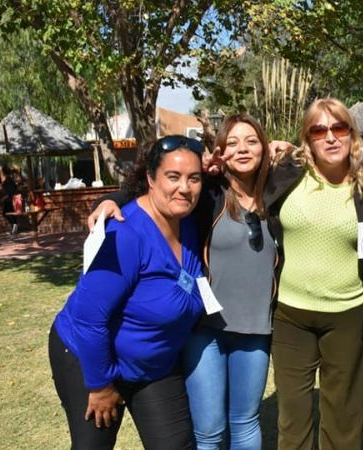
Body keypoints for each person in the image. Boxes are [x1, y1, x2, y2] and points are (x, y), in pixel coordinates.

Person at [88, 115, 280, 450]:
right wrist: (109, 201)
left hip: (255, 329)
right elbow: (158, 189)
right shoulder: (207, 194)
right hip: (205, 330)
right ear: (220, 152)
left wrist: (289, 152)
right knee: (209, 430)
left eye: (251, 140)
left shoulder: (278, 192)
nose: (243, 149)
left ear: (264, 146)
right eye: (232, 142)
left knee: (246, 422)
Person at [49, 135, 205, 449]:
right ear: (150, 178)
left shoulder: (186, 222)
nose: (184, 188)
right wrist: (101, 385)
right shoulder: (125, 234)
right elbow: (88, 321)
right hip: (89, 359)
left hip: (154, 366)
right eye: (172, 177)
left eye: (194, 178)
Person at [266, 97, 363, 450]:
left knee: (343, 416)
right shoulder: (287, 172)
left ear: (351, 134)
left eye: (338, 127)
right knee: (293, 417)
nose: (330, 137)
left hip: (347, 315)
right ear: (307, 138)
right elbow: (228, 172)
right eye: (319, 130)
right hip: (290, 316)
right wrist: (112, 199)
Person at [0, 166, 19, 234]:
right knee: (8, 213)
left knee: (7, 213)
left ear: (3, 173)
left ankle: (14, 225)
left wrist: (4, 198)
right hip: (9, 199)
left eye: (1, 172)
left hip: (9, 199)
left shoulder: (8, 180)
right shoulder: (8, 179)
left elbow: (10, 192)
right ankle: (14, 225)